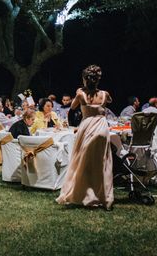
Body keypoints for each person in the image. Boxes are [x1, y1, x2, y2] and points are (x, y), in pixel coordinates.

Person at [56, 65, 113, 210]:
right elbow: (110, 101)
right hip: (102, 128)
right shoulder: (105, 94)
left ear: (85, 79)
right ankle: (102, 196)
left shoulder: (81, 93)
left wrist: (81, 93)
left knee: (82, 162)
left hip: (87, 127)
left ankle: (84, 194)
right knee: (101, 163)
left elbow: (73, 107)